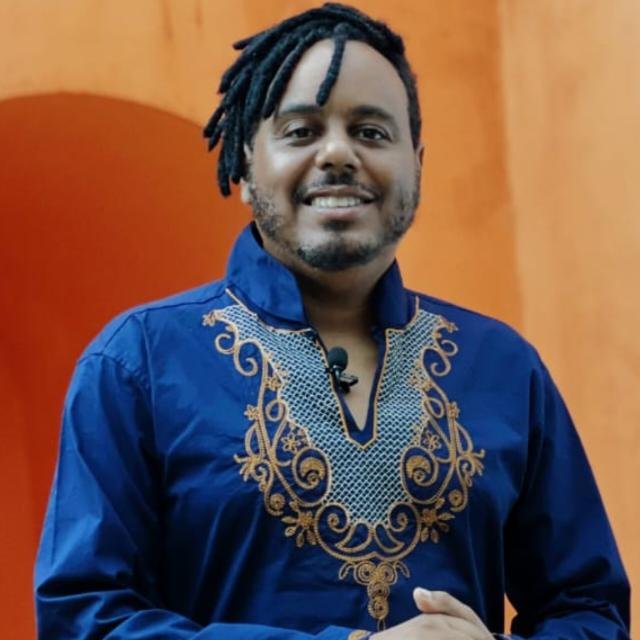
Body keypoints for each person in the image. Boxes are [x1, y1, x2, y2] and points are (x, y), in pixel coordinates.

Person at [35, 3, 630, 639]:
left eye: (371, 131)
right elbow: (82, 619)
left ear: (418, 164)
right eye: (300, 131)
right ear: (245, 165)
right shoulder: (138, 365)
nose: (339, 153)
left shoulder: (505, 368)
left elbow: (592, 610)